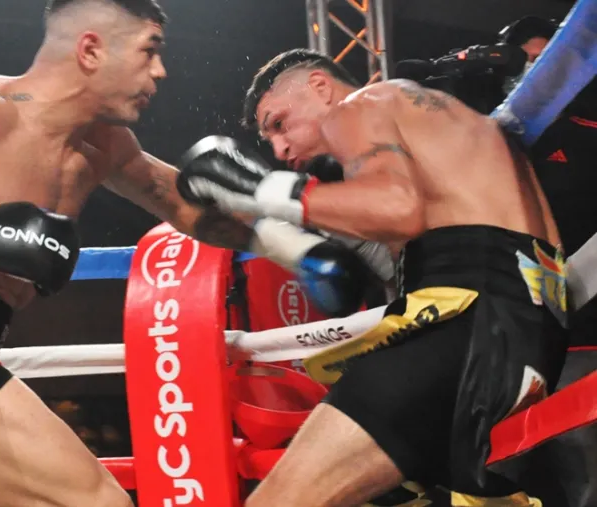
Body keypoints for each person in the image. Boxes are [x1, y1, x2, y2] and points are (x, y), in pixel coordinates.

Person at [0, 1, 380, 506]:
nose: (160, 71)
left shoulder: (105, 145)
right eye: (149, 50)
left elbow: (186, 208)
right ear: (91, 50)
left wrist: (296, 244)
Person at [176, 48, 571, 506]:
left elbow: (398, 209)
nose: (280, 150)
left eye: (279, 124)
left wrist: (263, 189)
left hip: (461, 327)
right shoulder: (453, 132)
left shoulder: (361, 106)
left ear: (320, 86)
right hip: (531, 337)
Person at [500, 15, 597, 507]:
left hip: (583, 340)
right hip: (502, 342)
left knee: (583, 472)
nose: (537, 74)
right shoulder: (484, 143)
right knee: (491, 472)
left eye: (547, 61)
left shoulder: (591, 135)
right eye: (527, 63)